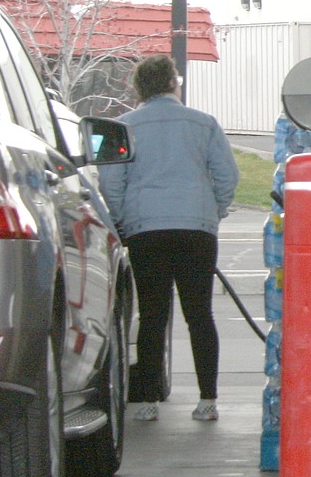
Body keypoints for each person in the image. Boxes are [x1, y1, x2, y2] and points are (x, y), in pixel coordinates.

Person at [100, 55, 240, 422]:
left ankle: (147, 401)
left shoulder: (122, 127)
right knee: (200, 314)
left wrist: (122, 221)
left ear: (139, 88)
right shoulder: (204, 124)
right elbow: (227, 176)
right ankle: (207, 399)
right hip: (197, 228)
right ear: (173, 84)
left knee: (152, 316)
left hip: (146, 230)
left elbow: (111, 184)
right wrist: (214, 210)